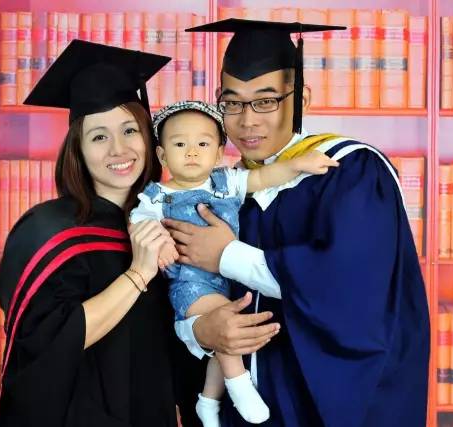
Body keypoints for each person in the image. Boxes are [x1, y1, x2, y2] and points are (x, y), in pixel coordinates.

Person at [167, 19, 431, 426]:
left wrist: (226, 256)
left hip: (322, 407)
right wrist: (202, 331)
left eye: (266, 101)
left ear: (301, 98)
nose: (247, 121)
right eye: (232, 103)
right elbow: (187, 290)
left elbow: (348, 285)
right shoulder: (225, 190)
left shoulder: (350, 171)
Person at [0, 40, 179, 427]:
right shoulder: (47, 231)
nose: (119, 149)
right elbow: (47, 342)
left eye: (129, 130)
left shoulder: (165, 220)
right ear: (77, 150)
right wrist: (139, 272)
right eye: (99, 136)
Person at [130, 100, 338, 427]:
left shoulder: (228, 181)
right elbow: (138, 224)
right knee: (227, 326)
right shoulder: (157, 195)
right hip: (191, 285)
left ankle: (208, 401)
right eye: (180, 144)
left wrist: (299, 164)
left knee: (224, 340)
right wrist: (161, 242)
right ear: (162, 155)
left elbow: (265, 177)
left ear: (218, 154)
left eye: (203, 144)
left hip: (229, 279)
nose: (192, 152)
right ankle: (240, 387)